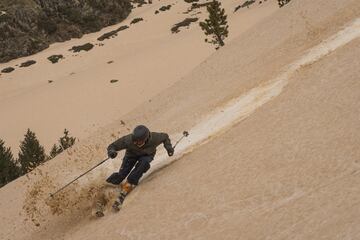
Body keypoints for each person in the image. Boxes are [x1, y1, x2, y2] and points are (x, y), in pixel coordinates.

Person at [95, 125, 174, 216]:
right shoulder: (129, 140)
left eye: (139, 141)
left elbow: (165, 136)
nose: (136, 143)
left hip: (146, 155)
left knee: (143, 164)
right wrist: (111, 152)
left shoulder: (155, 138)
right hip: (131, 156)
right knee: (121, 175)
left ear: (147, 138)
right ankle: (102, 197)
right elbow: (112, 146)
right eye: (135, 141)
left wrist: (169, 148)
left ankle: (125, 190)